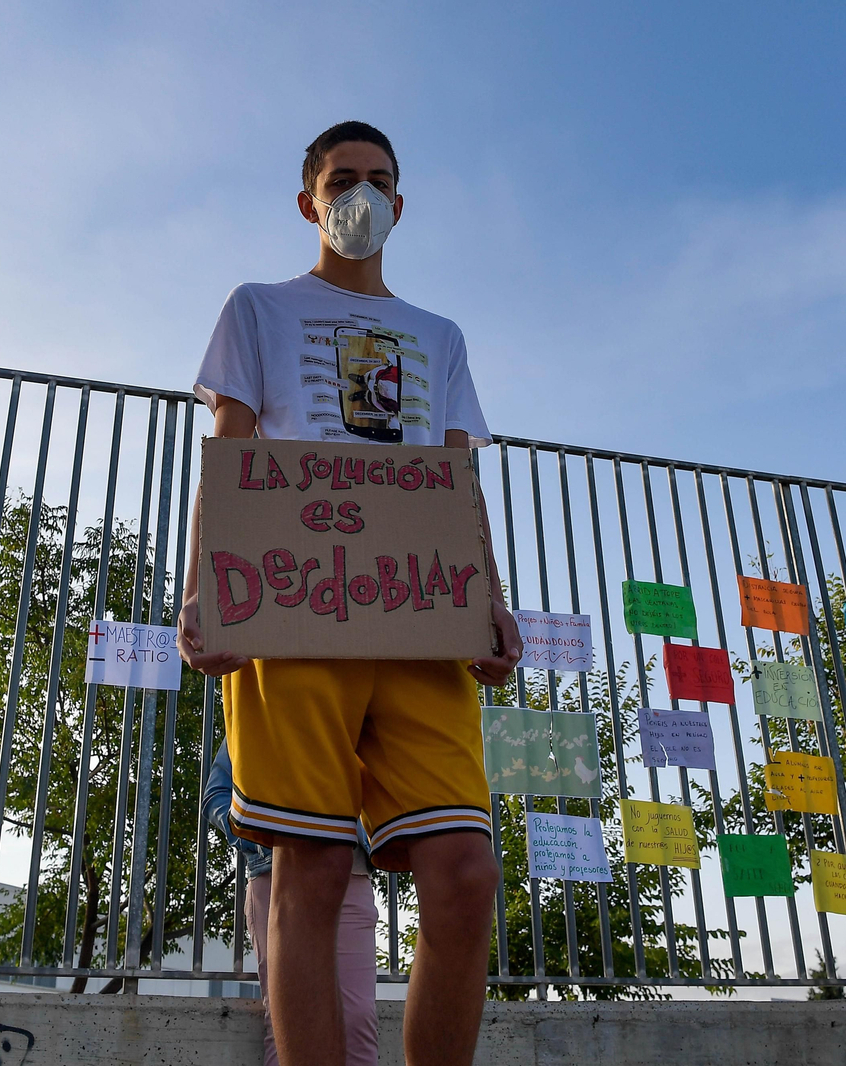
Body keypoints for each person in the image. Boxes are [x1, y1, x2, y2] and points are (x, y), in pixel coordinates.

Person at [176, 121, 519, 1066]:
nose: (359, 194)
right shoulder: (258, 308)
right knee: (313, 866)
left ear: (400, 204)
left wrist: (490, 599)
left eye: (377, 179)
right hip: (293, 615)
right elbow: (230, 454)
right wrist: (204, 591)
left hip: (421, 619)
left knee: (465, 872)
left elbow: (458, 477)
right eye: (341, 180)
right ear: (309, 201)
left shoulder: (441, 336)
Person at [203, 741, 379, 1066]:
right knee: (286, 1020)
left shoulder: (359, 714)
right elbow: (217, 795)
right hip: (275, 875)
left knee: (357, 1017)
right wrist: (262, 838)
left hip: (349, 875)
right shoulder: (256, 713)